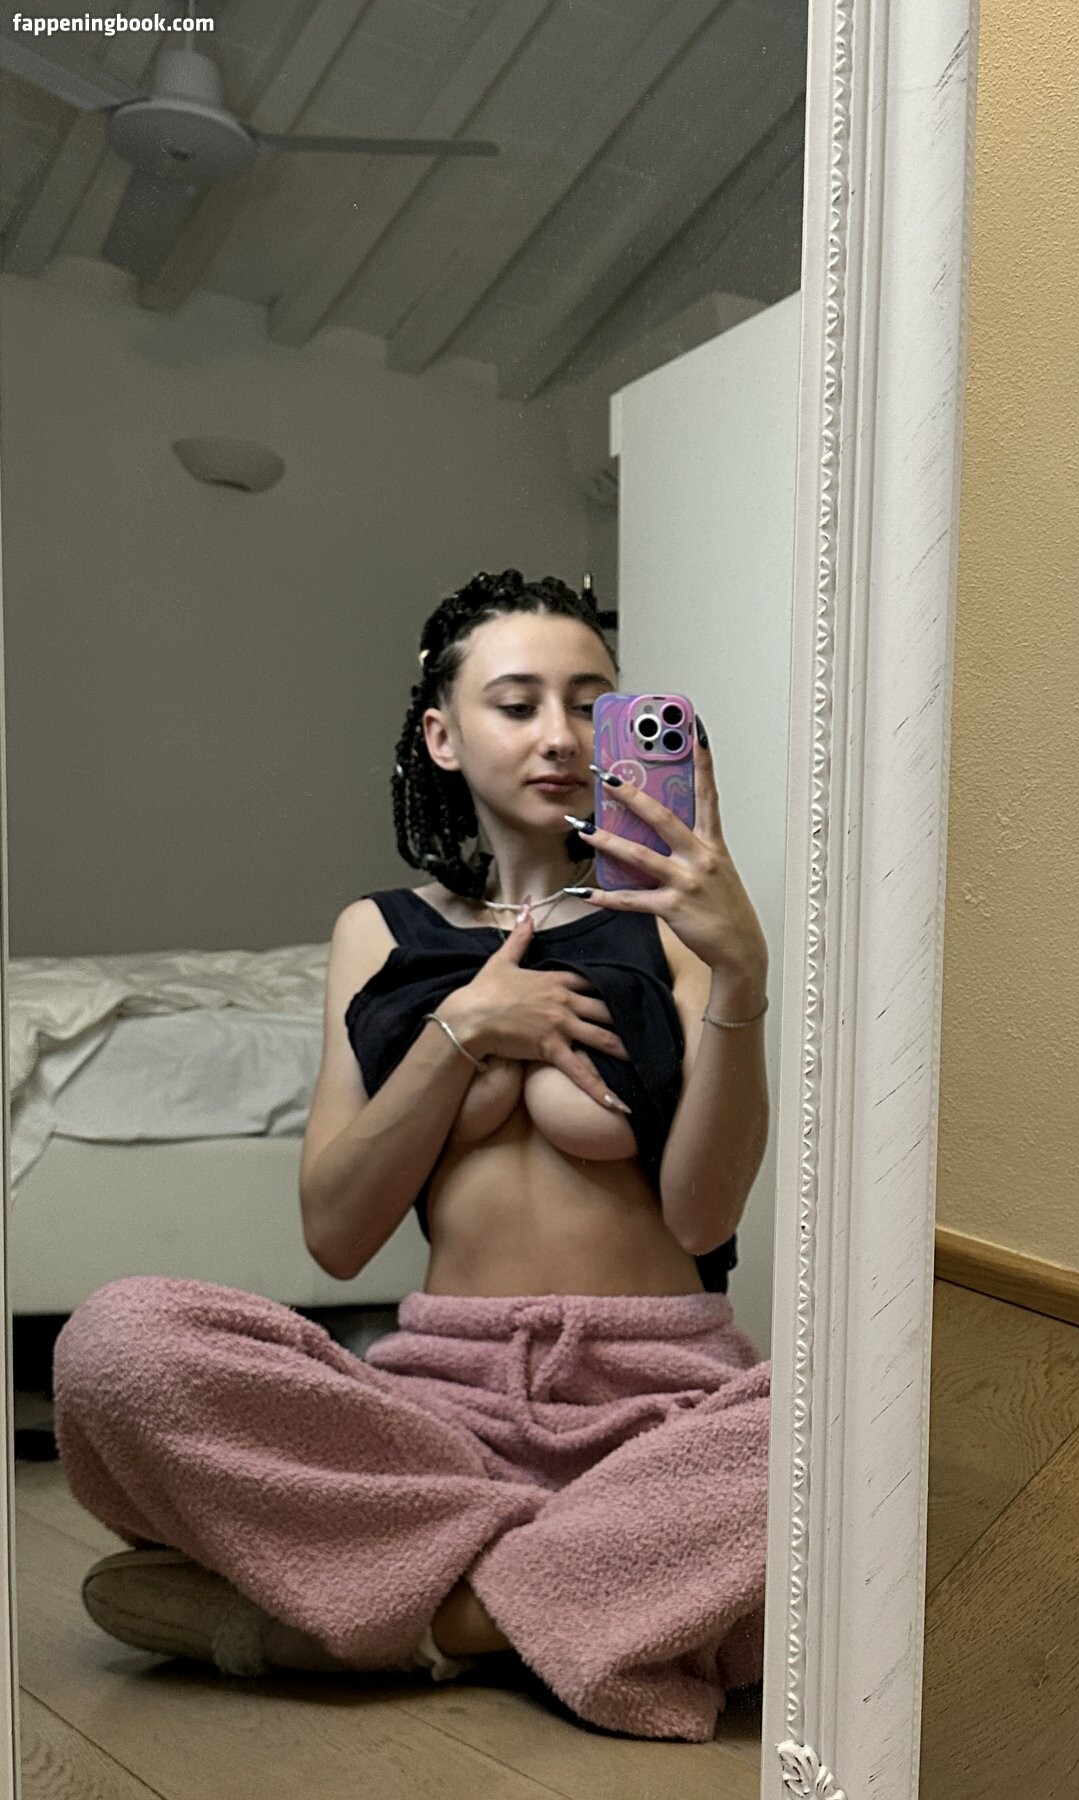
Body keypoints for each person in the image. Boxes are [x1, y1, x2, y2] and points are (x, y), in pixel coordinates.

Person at [52, 570, 774, 1742]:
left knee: (835, 1428)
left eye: (589, 702)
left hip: (662, 1409)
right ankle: (598, 1597)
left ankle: (414, 1617)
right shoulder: (376, 932)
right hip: (441, 1419)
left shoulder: (680, 932)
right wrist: (460, 1032)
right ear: (443, 735)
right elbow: (337, 1235)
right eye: (518, 703)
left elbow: (702, 1220)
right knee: (120, 1343)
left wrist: (741, 973)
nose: (560, 735)